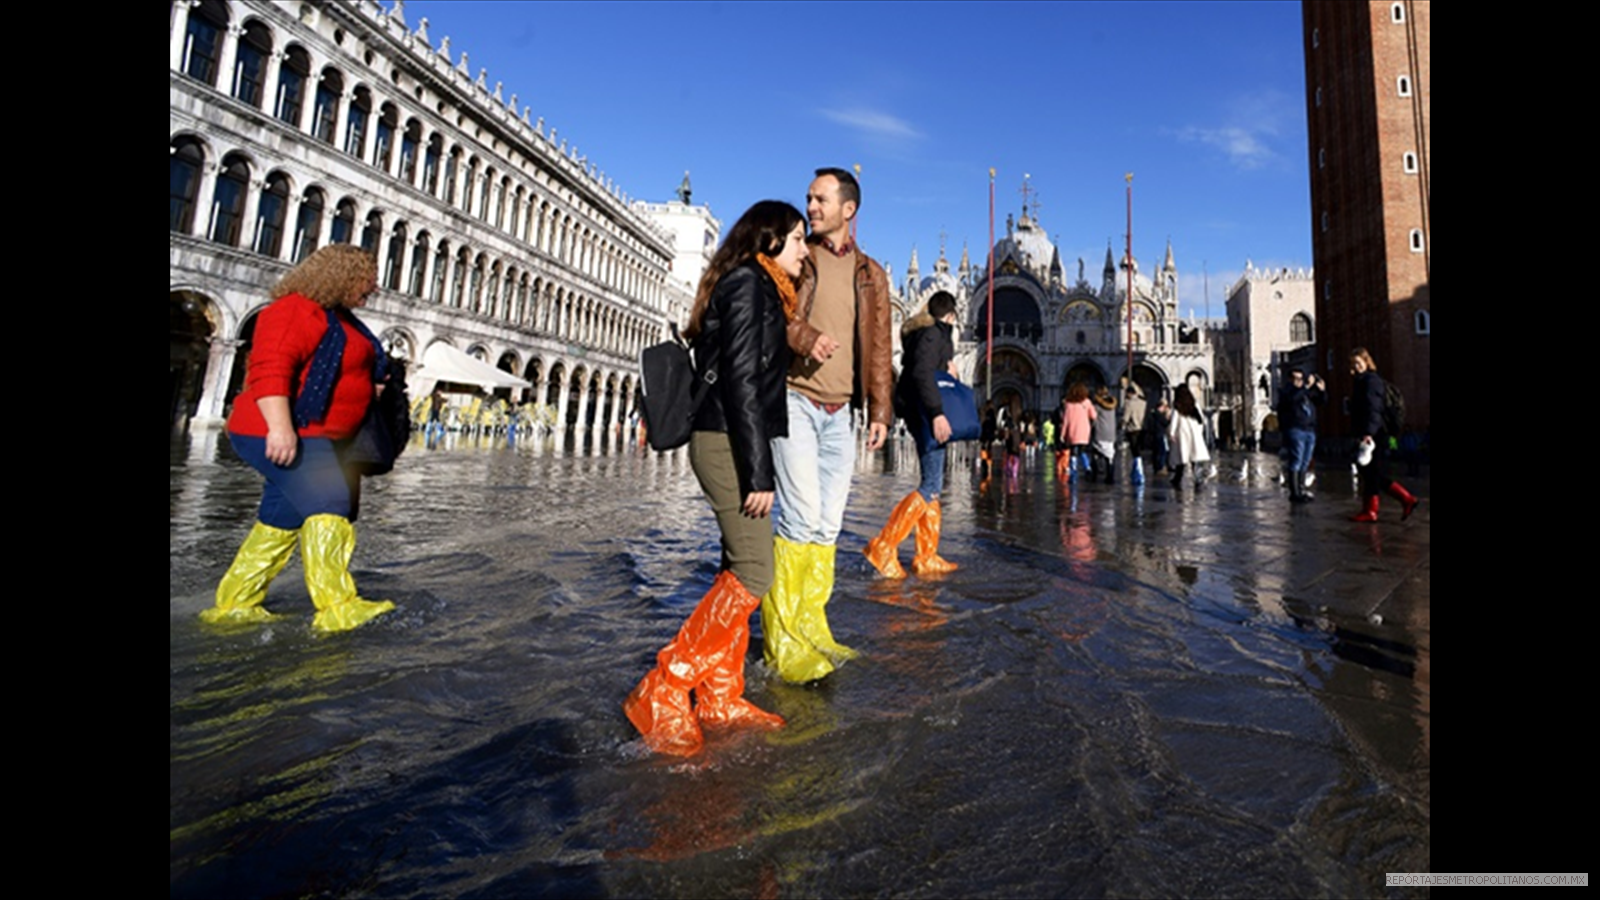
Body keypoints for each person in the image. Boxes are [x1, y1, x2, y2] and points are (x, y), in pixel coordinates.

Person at [623, 201, 805, 755]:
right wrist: (758, 471)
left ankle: (721, 695)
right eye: (797, 238)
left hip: (733, 436)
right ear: (769, 240)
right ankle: (666, 685)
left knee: (737, 562)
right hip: (727, 439)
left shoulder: (753, 285)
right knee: (755, 571)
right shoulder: (750, 285)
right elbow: (743, 380)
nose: (804, 249)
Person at [202, 244, 396, 632]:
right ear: (341, 275)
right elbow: (270, 370)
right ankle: (337, 606)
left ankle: (236, 601)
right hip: (286, 431)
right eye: (367, 279)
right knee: (331, 504)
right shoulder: (293, 310)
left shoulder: (341, 319)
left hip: (316, 435)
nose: (373, 288)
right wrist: (281, 427)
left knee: (281, 521)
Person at [764, 167, 894, 684]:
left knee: (826, 525)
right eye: (808, 198)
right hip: (795, 398)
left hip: (842, 411)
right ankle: (783, 641)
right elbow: (772, 310)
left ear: (849, 209)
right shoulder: (798, 255)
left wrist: (880, 410)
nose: (810, 206)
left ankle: (812, 626)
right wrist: (804, 337)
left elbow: (880, 347)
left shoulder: (872, 274)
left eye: (820, 199)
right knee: (798, 519)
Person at [864, 293, 960, 578]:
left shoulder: (925, 333)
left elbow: (924, 370)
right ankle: (884, 546)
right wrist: (937, 413)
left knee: (933, 484)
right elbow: (922, 374)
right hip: (925, 412)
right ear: (951, 315)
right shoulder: (933, 335)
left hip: (921, 410)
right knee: (930, 484)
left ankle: (926, 555)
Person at [1347, 347, 1420, 522]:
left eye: (1359, 363)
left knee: (1373, 473)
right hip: (1369, 432)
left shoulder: (1371, 381)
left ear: (1366, 362)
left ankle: (1401, 500)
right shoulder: (1361, 381)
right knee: (1370, 472)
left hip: (1374, 433)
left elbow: (1374, 409)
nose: (1356, 366)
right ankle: (1373, 508)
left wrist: (1369, 433)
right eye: (1353, 364)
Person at [1277, 367, 1325, 503]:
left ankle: (1301, 489)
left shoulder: (1306, 392)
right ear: (1290, 379)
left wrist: (1321, 391)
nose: (1299, 381)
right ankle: (1295, 492)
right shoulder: (1287, 391)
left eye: (1301, 379)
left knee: (1305, 461)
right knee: (1297, 459)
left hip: (1309, 429)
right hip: (1295, 428)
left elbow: (1321, 402)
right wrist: (1307, 386)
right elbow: (1293, 399)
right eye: (1296, 379)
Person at [1168, 384, 1210, 490]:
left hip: (1182, 432)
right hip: (1194, 431)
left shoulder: (1177, 405)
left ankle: (1177, 478)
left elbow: (1174, 419)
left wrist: (1172, 432)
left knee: (1181, 457)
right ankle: (1198, 479)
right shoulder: (1194, 403)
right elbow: (1201, 419)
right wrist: (1199, 431)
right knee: (1194, 457)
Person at [1060, 382, 1095, 482]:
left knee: (1073, 453)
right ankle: (1087, 467)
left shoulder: (1068, 404)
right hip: (1084, 431)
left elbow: (1065, 420)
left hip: (1072, 431)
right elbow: (1094, 415)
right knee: (1082, 451)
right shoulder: (1087, 402)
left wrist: (1062, 434)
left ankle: (1074, 472)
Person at [1090, 384, 1119, 483]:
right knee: (1110, 456)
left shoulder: (1097, 406)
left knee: (1096, 454)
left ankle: (1095, 475)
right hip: (1111, 434)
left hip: (1100, 432)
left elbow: (1093, 419)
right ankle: (1110, 476)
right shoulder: (1113, 406)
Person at [1121, 377, 1147, 480]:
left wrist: (1122, 424)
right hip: (1142, 428)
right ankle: (1136, 470)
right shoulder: (1143, 402)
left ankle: (1139, 471)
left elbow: (1126, 417)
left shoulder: (1129, 403)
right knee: (1138, 450)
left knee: (1135, 451)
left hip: (1132, 429)